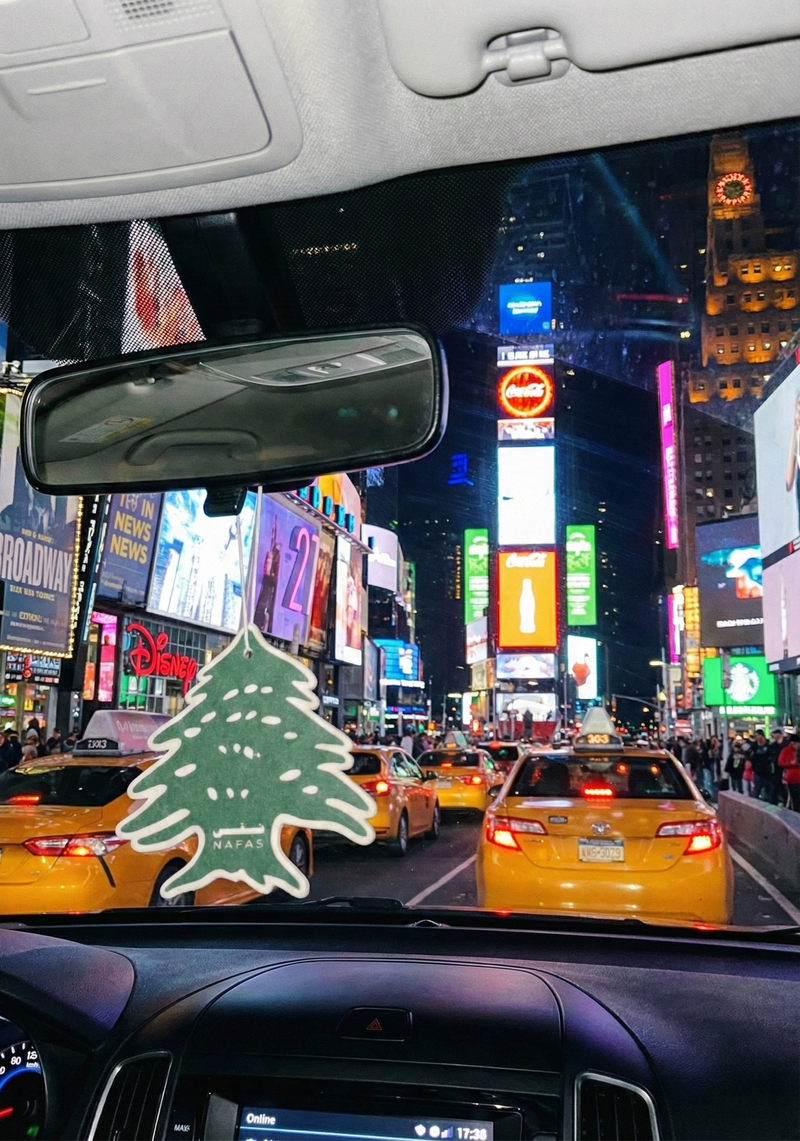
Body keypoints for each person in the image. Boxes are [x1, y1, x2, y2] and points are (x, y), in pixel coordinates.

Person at [778, 734, 800, 811]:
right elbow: (780, 762)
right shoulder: (786, 750)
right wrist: (791, 763)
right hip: (792, 779)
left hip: (796, 777)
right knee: (794, 799)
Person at [750, 730, 773, 801]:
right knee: (757, 790)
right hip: (758, 771)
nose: (756, 737)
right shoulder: (754, 746)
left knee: (769, 792)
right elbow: (750, 756)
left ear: (761, 735)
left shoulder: (769, 745)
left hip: (768, 772)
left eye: (757, 735)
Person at [768, 728, 786, 805]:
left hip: (784, 769)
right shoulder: (773, 745)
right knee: (774, 788)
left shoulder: (786, 744)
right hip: (775, 770)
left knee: (784, 789)